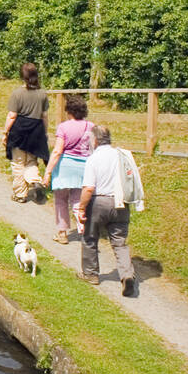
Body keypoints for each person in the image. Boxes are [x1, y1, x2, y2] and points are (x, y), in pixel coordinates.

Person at [74, 125, 143, 296]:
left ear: (95, 140)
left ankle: (91, 273)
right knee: (119, 242)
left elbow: (89, 188)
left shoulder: (93, 159)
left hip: (99, 202)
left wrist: (81, 207)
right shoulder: (120, 155)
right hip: (121, 203)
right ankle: (127, 275)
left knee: (90, 238)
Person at [43, 94, 94, 243]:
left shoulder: (63, 127)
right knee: (78, 200)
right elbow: (93, 148)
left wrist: (48, 172)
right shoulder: (90, 126)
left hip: (65, 167)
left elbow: (58, 150)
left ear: (68, 110)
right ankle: (83, 230)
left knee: (61, 199)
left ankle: (62, 233)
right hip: (83, 168)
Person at [3, 61, 49, 202]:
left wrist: (5, 133)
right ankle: (35, 180)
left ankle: (20, 195)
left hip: (19, 130)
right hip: (36, 130)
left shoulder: (17, 93)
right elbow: (44, 116)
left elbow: (12, 115)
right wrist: (44, 133)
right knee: (31, 161)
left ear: (22, 76)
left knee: (18, 163)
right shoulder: (42, 94)